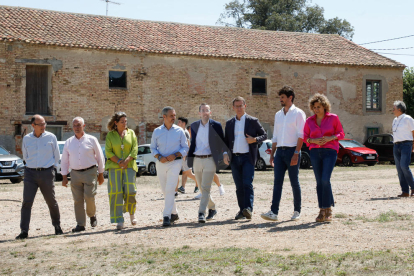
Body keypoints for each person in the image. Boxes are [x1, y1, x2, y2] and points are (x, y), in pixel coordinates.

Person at [261, 86, 306, 222]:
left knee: (294, 182)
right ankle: (274, 212)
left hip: (293, 150)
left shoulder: (298, 113)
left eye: (282, 97)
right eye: (280, 97)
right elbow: (275, 136)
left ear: (290, 98)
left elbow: (301, 135)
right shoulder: (277, 115)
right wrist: (272, 154)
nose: (280, 100)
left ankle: (297, 211)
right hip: (279, 152)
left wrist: (296, 153)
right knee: (277, 183)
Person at [16, 115, 63, 239]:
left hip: (47, 173)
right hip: (30, 174)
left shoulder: (51, 137)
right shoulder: (26, 139)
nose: (43, 126)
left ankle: (57, 226)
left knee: (51, 201)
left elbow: (57, 156)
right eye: (40, 124)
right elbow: (25, 156)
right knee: (27, 202)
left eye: (44, 124)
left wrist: (52, 169)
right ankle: (24, 231)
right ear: (33, 126)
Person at [224, 96, 267, 220]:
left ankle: (248, 209)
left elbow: (264, 135)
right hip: (234, 159)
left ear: (245, 106)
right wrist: (225, 154)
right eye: (236, 106)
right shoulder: (229, 123)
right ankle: (242, 210)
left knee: (247, 183)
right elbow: (226, 142)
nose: (239, 108)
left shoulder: (252, 121)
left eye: (241, 105)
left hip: (248, 157)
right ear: (233, 108)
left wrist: (254, 140)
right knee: (239, 186)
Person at [303, 93, 344, 222]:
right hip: (315, 152)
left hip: (330, 151)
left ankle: (328, 210)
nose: (316, 109)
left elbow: (341, 134)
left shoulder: (333, 118)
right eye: (314, 107)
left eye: (319, 107)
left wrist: (331, 137)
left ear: (324, 106)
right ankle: (322, 210)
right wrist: (313, 140)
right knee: (319, 182)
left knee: (325, 179)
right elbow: (304, 137)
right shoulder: (309, 121)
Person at [61, 117, 106, 232]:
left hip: (90, 172)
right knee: (77, 200)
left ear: (84, 126)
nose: (76, 128)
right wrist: (64, 176)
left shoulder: (92, 140)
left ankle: (92, 215)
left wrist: (101, 173)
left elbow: (100, 157)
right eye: (74, 125)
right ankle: (80, 224)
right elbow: (65, 160)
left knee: (89, 196)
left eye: (79, 125)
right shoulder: (69, 142)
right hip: (75, 174)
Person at [187, 103, 227, 223]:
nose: (205, 112)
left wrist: (224, 153)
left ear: (210, 112)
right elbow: (192, 142)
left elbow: (222, 142)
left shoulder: (216, 125)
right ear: (199, 113)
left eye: (207, 110)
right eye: (203, 110)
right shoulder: (194, 126)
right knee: (201, 187)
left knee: (206, 187)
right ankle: (212, 208)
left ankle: (201, 213)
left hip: (210, 159)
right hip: (197, 159)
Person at [150, 107, 189, 227]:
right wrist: (158, 156)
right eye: (172, 116)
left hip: (175, 163)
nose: (174, 118)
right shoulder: (156, 131)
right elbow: (152, 148)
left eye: (175, 115)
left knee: (170, 188)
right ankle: (174, 213)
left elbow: (185, 147)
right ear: (164, 117)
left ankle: (166, 216)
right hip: (160, 162)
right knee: (165, 190)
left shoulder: (180, 131)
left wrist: (176, 155)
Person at [105, 112, 139, 230]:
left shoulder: (131, 133)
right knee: (116, 192)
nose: (125, 124)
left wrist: (127, 160)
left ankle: (131, 213)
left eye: (126, 121)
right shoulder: (110, 135)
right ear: (116, 123)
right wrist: (119, 161)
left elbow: (135, 149)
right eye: (122, 122)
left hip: (129, 166)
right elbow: (108, 152)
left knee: (130, 191)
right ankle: (119, 219)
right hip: (114, 167)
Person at [391, 101, 414, 197]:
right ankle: (405, 191)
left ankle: (413, 187)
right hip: (396, 145)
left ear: (399, 109)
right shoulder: (394, 120)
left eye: (394, 108)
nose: (392, 110)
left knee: (404, 166)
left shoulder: (408, 119)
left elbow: (413, 131)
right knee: (399, 169)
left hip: (406, 144)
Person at [176, 117, 199, 194]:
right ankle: (182, 188)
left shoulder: (185, 132)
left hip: (185, 156)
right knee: (185, 172)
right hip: (182, 156)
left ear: (183, 123)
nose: (177, 123)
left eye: (179, 122)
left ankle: (199, 182)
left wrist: (185, 155)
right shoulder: (180, 131)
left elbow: (188, 144)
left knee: (188, 173)